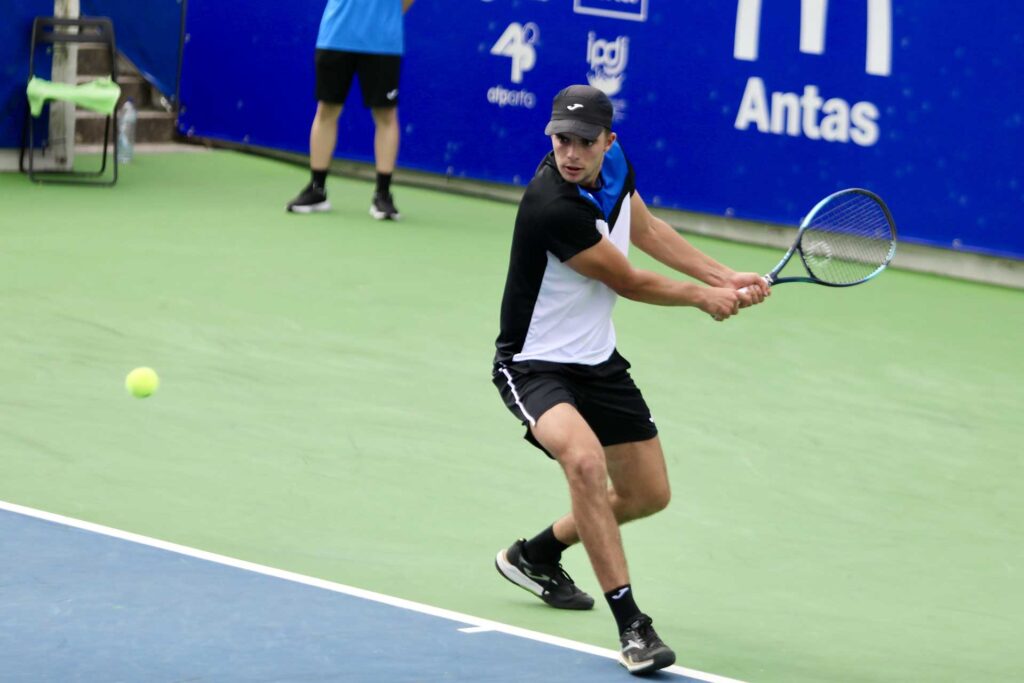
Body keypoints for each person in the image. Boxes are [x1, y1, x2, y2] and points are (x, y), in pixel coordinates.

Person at [491, 85, 770, 676]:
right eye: (561, 141)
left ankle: (535, 555)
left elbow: (646, 229)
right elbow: (628, 280)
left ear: (608, 142)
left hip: (597, 361)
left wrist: (723, 275)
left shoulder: (614, 167)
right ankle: (633, 627)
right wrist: (703, 297)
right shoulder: (552, 205)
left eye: (584, 142)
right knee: (584, 463)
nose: (571, 153)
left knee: (647, 494)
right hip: (534, 364)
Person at [286, 0, 415, 219]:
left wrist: (386, 16)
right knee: (326, 111)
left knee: (386, 115)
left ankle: (383, 194)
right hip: (336, 36)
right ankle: (317, 189)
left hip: (383, 41)